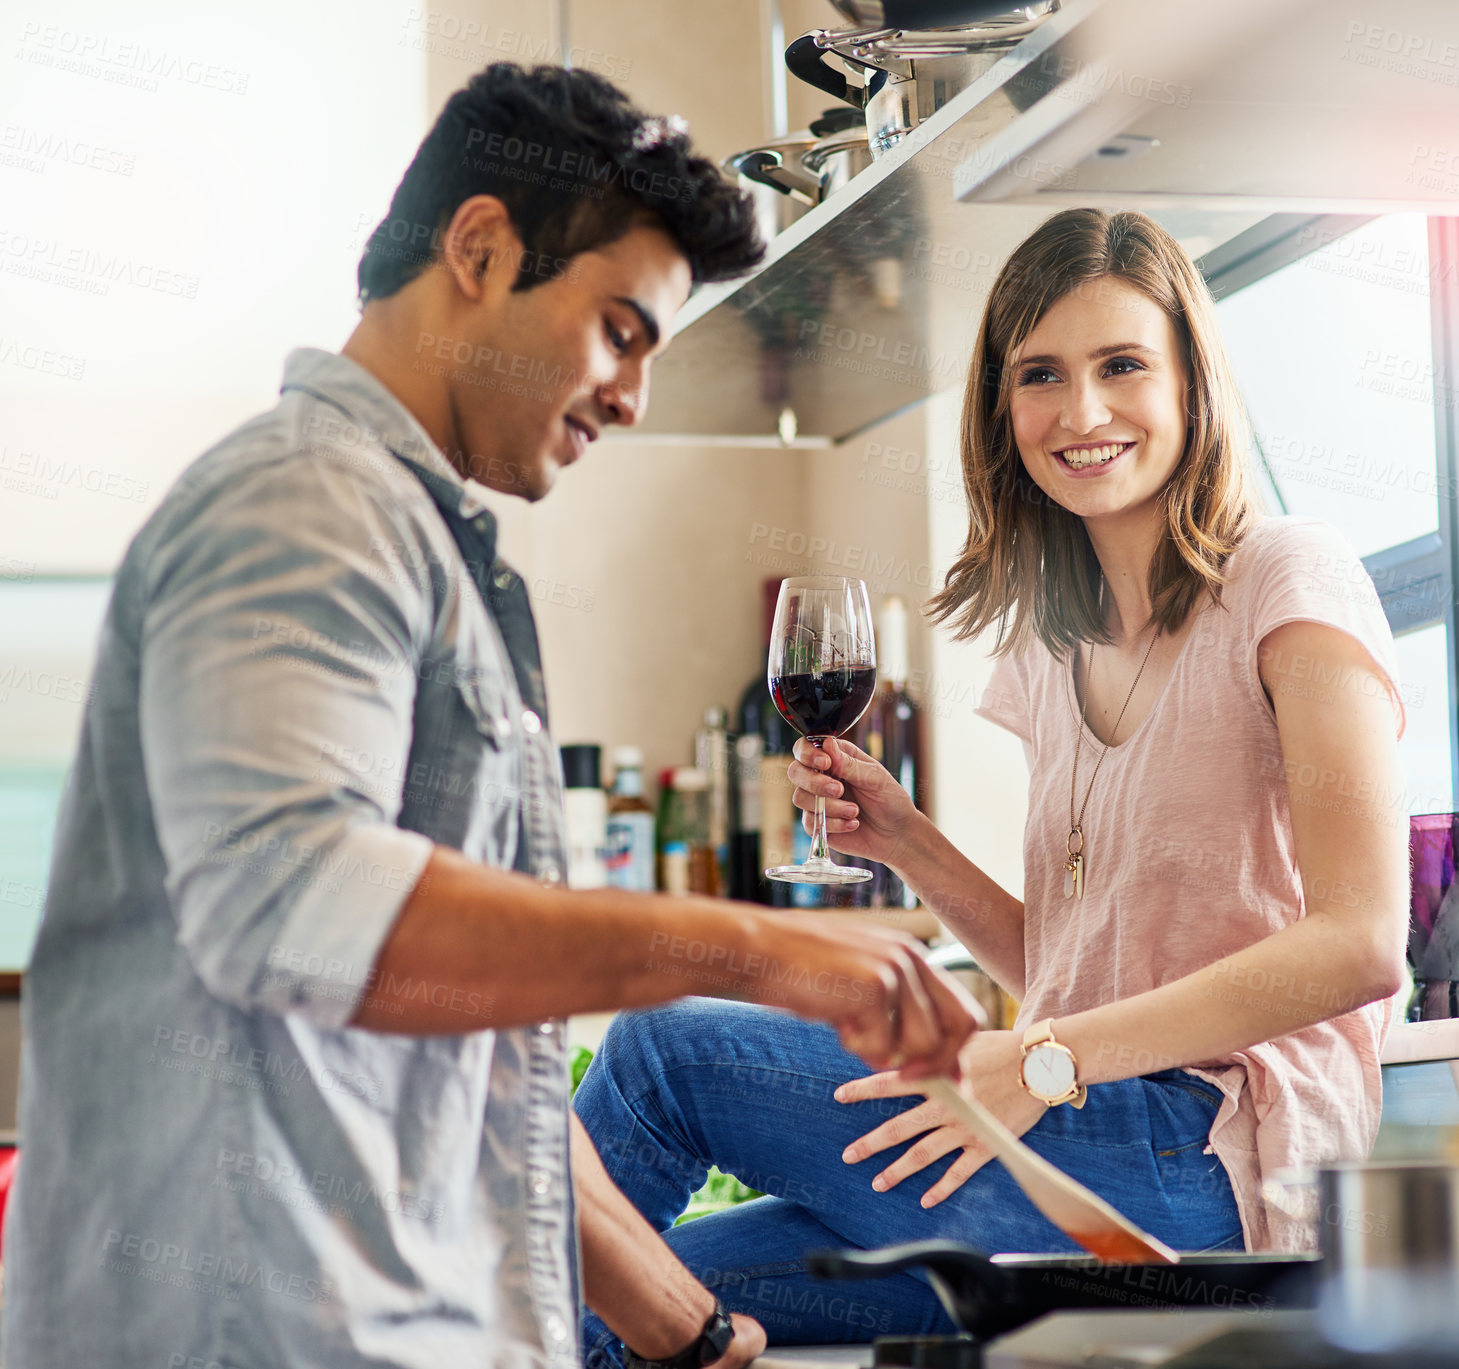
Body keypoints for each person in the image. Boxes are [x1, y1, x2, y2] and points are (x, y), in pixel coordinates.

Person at [0, 64, 982, 1369]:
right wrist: (746, 949)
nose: (633, 396)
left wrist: (690, 1334)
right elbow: (294, 907)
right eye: (622, 329)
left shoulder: (430, 554)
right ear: (479, 249)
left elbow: (489, 1071)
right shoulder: (302, 511)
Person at [574, 207, 1412, 1359]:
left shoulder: (1286, 578)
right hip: (1078, 1138)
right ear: (1000, 408)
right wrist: (909, 844)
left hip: (1220, 1172)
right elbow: (1078, 972)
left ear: (1192, 383)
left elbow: (1362, 942)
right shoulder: (1053, 645)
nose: (1081, 412)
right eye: (1039, 375)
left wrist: (1034, 1057)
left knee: (663, 1049)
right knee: (637, 1296)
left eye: (1122, 365)